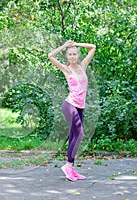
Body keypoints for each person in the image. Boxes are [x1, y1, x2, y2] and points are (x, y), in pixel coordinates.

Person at [48, 40, 96, 181]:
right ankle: (68, 166)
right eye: (70, 54)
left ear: (78, 55)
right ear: (67, 57)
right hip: (69, 105)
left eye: (75, 54)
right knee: (79, 134)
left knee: (74, 137)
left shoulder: (83, 66)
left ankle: (72, 169)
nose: (73, 56)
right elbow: (50, 56)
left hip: (80, 106)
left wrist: (76, 44)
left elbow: (93, 47)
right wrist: (65, 46)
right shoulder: (66, 69)